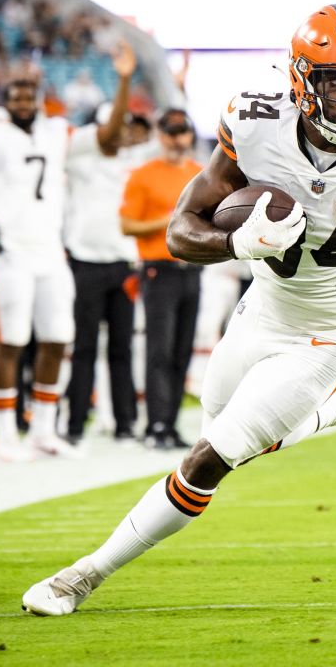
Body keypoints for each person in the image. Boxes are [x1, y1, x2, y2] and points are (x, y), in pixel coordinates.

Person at [22, 4, 336, 616]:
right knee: (222, 431)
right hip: (260, 310)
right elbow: (180, 230)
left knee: (209, 459)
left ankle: (80, 576)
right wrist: (234, 244)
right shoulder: (256, 125)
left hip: (330, 332)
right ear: (304, 78)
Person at [0, 40, 136, 461]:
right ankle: (4, 435)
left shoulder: (56, 132)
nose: (22, 100)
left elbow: (107, 138)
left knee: (58, 339)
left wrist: (123, 79)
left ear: (39, 98)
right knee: (9, 342)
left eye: (28, 95)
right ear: (4, 100)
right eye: (14, 95)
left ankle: (44, 431)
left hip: (51, 251)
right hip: (9, 251)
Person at [119, 109, 204, 449]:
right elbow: (126, 225)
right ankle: (155, 424)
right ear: (160, 135)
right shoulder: (143, 175)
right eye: (170, 132)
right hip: (158, 269)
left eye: (182, 132)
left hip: (191, 268)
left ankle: (170, 424)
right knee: (160, 350)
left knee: (183, 351)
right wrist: (169, 222)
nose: (176, 139)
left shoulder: (200, 174)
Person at [63, 103, 144, 444]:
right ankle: (75, 423)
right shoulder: (78, 163)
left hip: (124, 266)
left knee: (121, 349)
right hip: (85, 262)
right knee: (83, 346)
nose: (116, 133)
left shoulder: (135, 164)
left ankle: (125, 423)